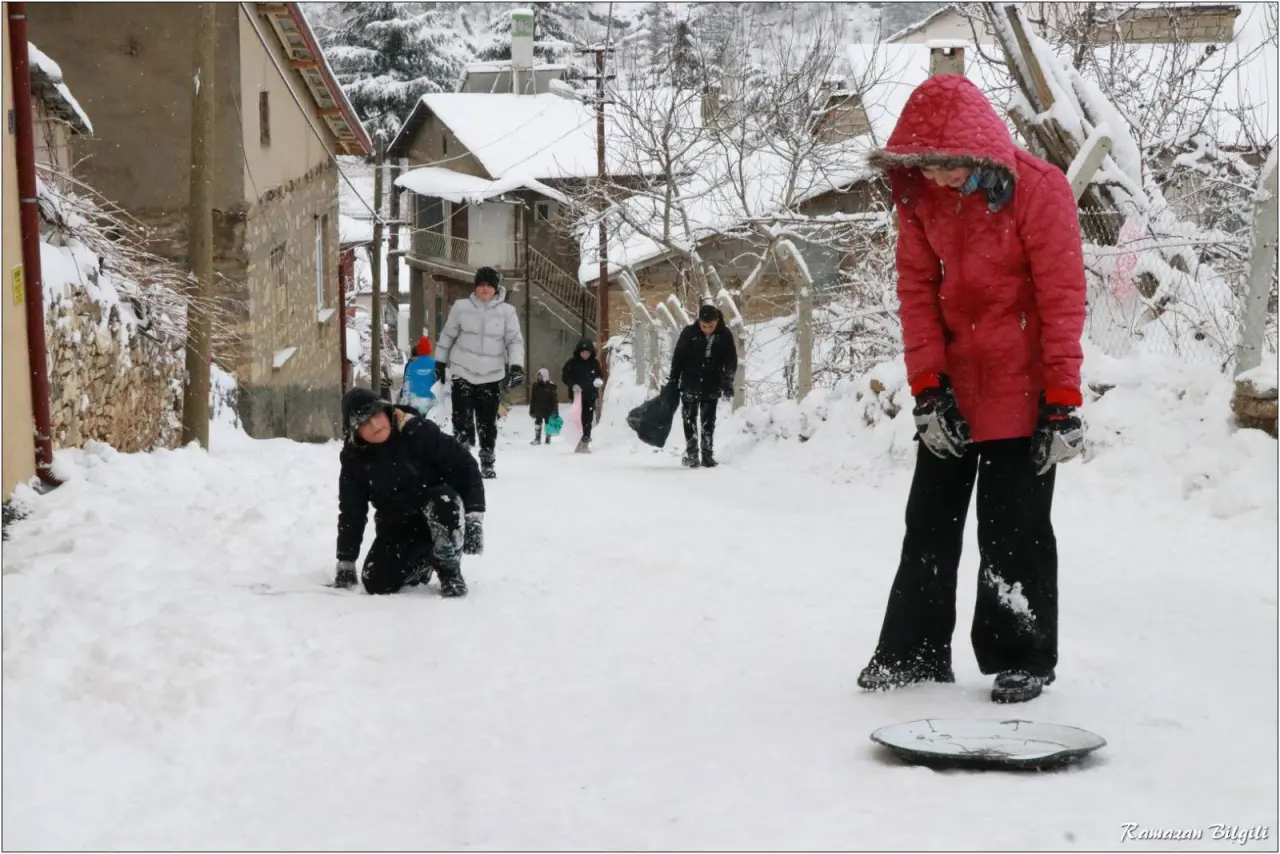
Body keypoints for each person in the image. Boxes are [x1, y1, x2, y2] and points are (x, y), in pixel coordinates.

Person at [857, 74, 1087, 704]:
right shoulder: (921, 202)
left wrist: (1063, 400)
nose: (935, 177)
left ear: (978, 150)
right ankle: (913, 653)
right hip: (955, 386)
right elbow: (916, 295)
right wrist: (928, 391)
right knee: (928, 521)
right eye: (923, 165)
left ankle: (1023, 656)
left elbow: (1062, 298)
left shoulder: (1040, 190)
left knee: (1013, 528)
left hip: (1025, 386)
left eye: (946, 164)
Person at [335, 387, 486, 597]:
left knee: (442, 499)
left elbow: (464, 465)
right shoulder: (354, 459)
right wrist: (346, 560)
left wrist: (474, 516)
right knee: (376, 582)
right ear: (355, 431)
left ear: (386, 411)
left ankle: (449, 569)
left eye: (376, 416)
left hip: (438, 509)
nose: (375, 425)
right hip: (397, 523)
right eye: (364, 424)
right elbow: (352, 510)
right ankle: (423, 563)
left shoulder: (418, 431)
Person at [435, 266, 525, 479]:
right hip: (462, 370)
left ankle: (487, 461)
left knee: (487, 422)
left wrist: (516, 367)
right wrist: (439, 361)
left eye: (489, 285)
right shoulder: (461, 308)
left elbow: (514, 341)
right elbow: (448, 335)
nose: (484, 289)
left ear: (496, 288)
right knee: (461, 419)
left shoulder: (507, 312)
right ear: (475, 287)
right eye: (481, 285)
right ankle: (461, 460)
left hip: (491, 374)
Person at [667, 304, 737, 468]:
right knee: (689, 418)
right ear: (698, 321)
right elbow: (678, 358)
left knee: (708, 420)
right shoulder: (689, 333)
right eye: (703, 326)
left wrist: (727, 379)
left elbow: (730, 359)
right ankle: (692, 454)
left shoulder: (725, 335)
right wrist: (673, 381)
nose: (707, 330)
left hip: (712, 383)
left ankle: (707, 454)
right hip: (690, 382)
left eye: (710, 326)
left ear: (717, 321)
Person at [561, 339, 604, 453]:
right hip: (577, 397)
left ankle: (585, 441)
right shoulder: (572, 363)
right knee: (577, 419)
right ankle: (577, 440)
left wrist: (598, 381)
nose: (585, 355)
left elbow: (599, 375)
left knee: (587, 419)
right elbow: (565, 376)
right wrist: (573, 384)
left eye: (588, 353)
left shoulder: (594, 363)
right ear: (579, 352)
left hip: (590, 396)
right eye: (583, 352)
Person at [399, 336, 437, 416]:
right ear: (429, 349)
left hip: (414, 402)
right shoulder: (435, 364)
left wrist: (405, 403)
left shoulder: (411, 365)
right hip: (430, 403)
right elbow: (438, 384)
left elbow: (407, 385)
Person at [528, 368, 560, 445]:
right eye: (538, 375)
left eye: (541, 375)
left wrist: (555, 411)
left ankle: (548, 439)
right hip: (538, 409)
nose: (539, 377)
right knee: (537, 423)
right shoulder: (535, 386)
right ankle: (537, 438)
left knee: (548, 424)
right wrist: (531, 409)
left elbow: (554, 400)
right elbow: (533, 399)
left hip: (548, 410)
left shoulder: (551, 387)